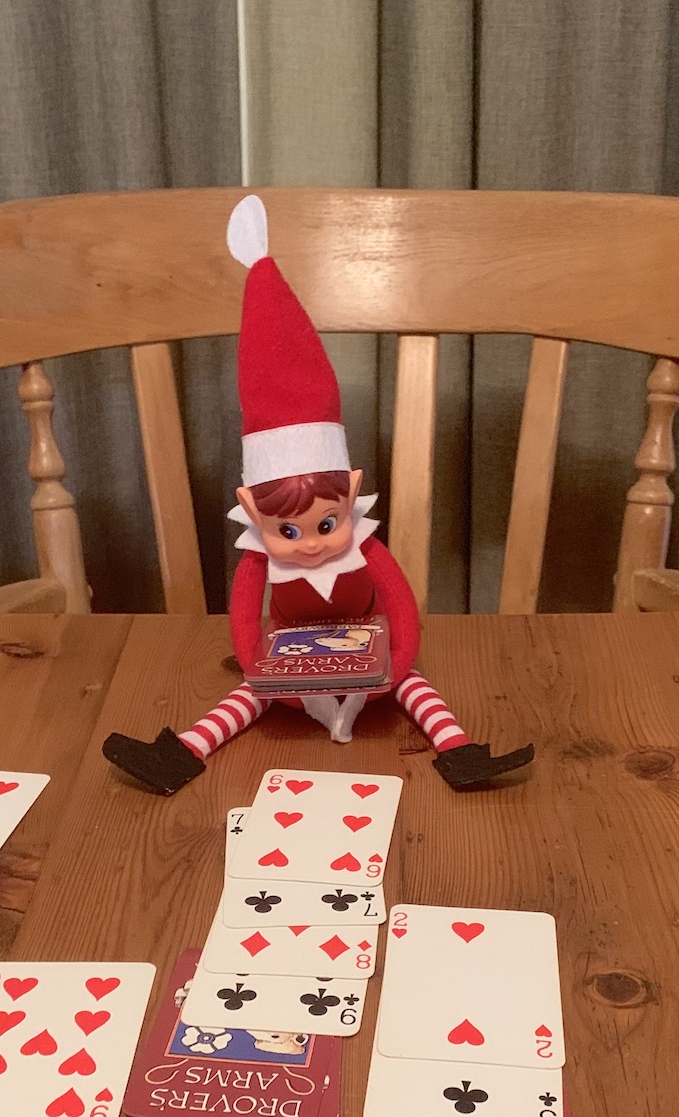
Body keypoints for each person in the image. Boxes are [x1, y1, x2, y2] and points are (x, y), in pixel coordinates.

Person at [102, 195, 533, 796]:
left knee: (416, 686)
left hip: (370, 653)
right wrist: (258, 665)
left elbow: (400, 605)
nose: (308, 545)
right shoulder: (259, 559)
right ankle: (182, 752)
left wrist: (398, 661)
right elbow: (244, 620)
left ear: (351, 494)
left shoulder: (366, 550)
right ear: (252, 511)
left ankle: (459, 751)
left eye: (326, 525)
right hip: (285, 664)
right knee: (246, 695)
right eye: (287, 531)